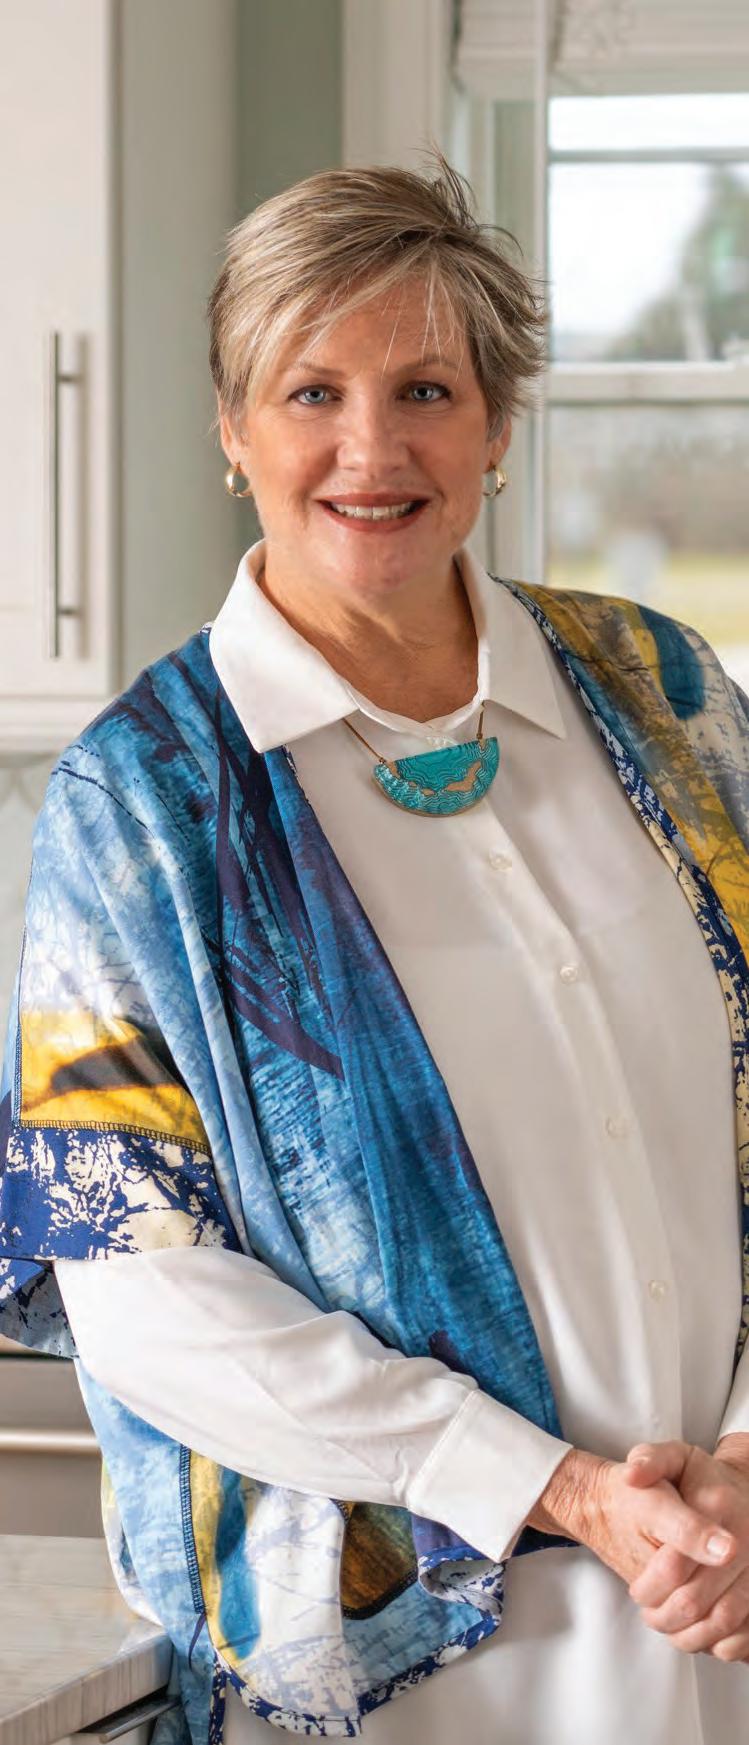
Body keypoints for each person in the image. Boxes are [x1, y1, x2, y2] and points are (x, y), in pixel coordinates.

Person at [1, 154, 748, 1745]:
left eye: (424, 389)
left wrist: (744, 1465)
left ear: (494, 422)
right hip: (419, 1680)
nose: (370, 448)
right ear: (231, 428)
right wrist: (556, 1488)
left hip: (724, 1613)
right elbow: (139, 1290)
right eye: (310, 392)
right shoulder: (147, 804)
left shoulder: (663, 694)